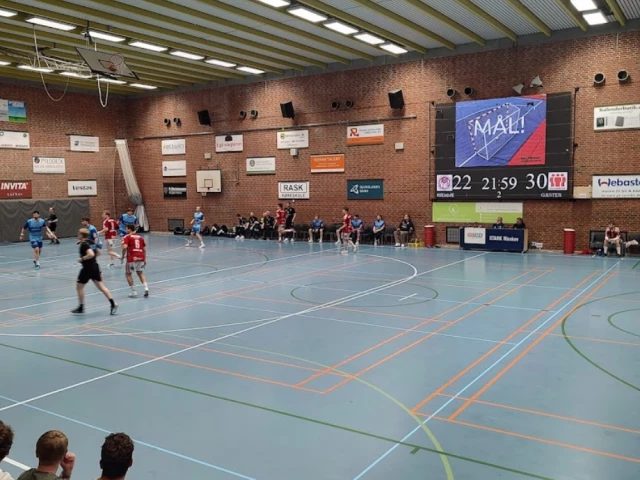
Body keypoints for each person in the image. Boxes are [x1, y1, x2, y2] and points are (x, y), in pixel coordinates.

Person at [72, 228, 118, 315]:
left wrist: (82, 259)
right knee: (102, 287)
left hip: (86, 269)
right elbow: (98, 253)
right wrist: (92, 261)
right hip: (95, 267)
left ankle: (81, 307)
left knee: (79, 287)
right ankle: (113, 304)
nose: (78, 235)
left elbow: (91, 254)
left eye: (78, 234)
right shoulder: (91, 242)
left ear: (81, 235)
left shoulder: (84, 244)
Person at [122, 224, 149, 298]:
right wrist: (145, 259)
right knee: (140, 273)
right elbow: (144, 249)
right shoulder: (140, 237)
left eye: (126, 229)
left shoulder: (127, 237)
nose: (125, 230)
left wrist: (122, 256)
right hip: (141, 257)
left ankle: (134, 291)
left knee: (128, 274)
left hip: (132, 257)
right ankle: (146, 288)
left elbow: (124, 247)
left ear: (129, 229)